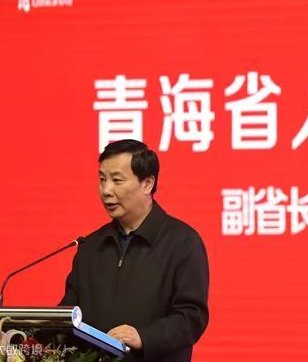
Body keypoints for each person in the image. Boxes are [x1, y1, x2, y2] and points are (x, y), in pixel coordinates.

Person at [60, 139, 209, 362]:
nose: (106, 190)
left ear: (147, 184)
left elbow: (192, 317)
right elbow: (69, 315)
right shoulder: (91, 246)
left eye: (117, 180)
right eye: (102, 179)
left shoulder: (183, 241)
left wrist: (145, 337)